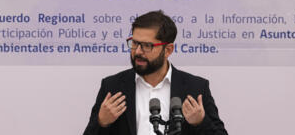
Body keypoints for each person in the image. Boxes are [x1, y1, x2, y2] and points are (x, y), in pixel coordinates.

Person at [83, 11, 228, 135]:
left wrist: (200, 122)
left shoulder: (195, 88)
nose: (138, 51)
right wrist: (101, 122)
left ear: (168, 50)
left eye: (147, 46)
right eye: (134, 43)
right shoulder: (113, 86)